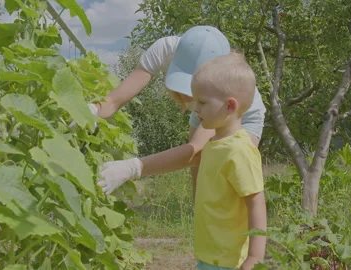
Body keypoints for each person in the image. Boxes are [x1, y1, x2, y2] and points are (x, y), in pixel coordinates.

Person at [88, 25, 266, 195]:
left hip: (238, 112)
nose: (188, 98)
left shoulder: (225, 77)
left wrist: (134, 167)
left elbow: (195, 151)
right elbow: (113, 101)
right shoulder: (165, 50)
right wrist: (91, 112)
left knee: (227, 180)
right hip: (208, 105)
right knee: (201, 187)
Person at [189, 53, 267, 270]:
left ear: (230, 106)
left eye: (202, 102)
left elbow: (256, 203)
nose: (196, 108)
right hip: (210, 255)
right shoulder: (214, 143)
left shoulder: (239, 149)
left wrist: (254, 256)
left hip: (229, 261)